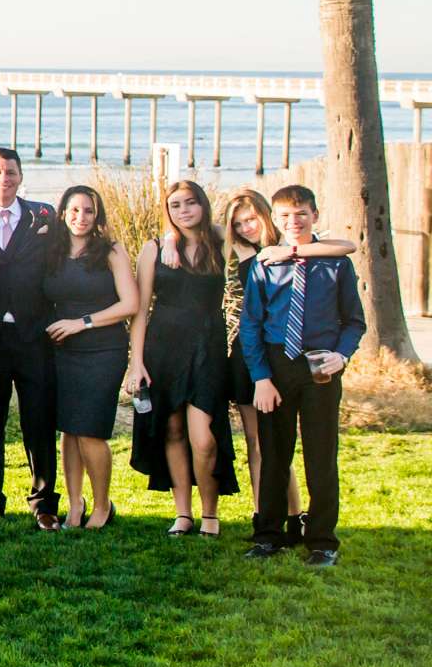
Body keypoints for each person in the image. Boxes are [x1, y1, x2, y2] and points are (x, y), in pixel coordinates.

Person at [240, 185, 364, 568]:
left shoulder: (336, 264)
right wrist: (261, 377)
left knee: (320, 455)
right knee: (274, 454)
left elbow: (354, 322)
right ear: (273, 220)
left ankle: (323, 541)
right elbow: (251, 326)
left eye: (300, 214)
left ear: (314, 215)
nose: (293, 222)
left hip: (319, 366)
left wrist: (341, 356)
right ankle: (269, 535)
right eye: (285, 216)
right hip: (277, 365)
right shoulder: (265, 264)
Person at [127, 180, 236, 536]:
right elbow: (140, 311)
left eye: (191, 203)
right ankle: (183, 514)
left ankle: (210, 513)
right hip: (163, 347)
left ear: (203, 205)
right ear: (167, 210)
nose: (184, 210)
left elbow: (238, 226)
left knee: (204, 438)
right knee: (172, 429)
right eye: (175, 205)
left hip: (207, 347)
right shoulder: (153, 249)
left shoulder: (219, 242)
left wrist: (178, 236)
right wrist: (136, 361)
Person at [0, 148, 61, 529]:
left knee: (38, 419)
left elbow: (65, 258)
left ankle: (44, 502)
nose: (3, 178)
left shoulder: (44, 217)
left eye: (10, 172)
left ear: (21, 177)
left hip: (33, 334)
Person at [40, 185, 138, 530]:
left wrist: (81, 323)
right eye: (75, 210)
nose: (81, 218)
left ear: (98, 216)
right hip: (63, 350)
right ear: (63, 212)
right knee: (68, 429)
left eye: (89, 211)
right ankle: (75, 505)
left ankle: (102, 505)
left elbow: (131, 304)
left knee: (90, 431)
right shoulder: (51, 250)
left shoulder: (110, 252)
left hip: (102, 349)